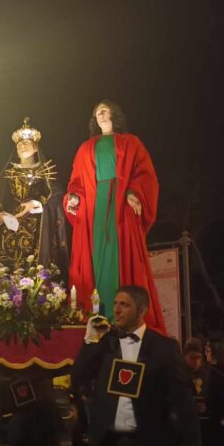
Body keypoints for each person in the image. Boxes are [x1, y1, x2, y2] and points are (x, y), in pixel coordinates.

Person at [72, 285, 203, 446]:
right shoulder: (106, 343)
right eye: (116, 304)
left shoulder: (164, 347)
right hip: (113, 443)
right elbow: (78, 377)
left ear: (141, 310)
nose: (117, 310)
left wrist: (193, 444)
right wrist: (89, 342)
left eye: (124, 305)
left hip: (149, 443)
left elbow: (182, 398)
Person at [64, 102, 166, 333]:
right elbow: (76, 181)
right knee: (95, 258)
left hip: (120, 207)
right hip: (94, 208)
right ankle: (95, 314)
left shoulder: (131, 142)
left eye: (104, 109)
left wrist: (134, 192)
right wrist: (73, 198)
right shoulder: (85, 148)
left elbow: (145, 174)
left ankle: (120, 314)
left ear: (114, 114)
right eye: (96, 111)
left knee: (118, 255)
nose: (99, 113)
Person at [0, 118, 69, 288]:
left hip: (38, 231)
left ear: (36, 147)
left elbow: (56, 196)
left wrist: (38, 203)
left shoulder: (47, 172)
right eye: (19, 145)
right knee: (8, 273)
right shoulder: (8, 173)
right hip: (12, 228)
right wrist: (0, 214)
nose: (22, 146)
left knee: (36, 271)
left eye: (26, 143)